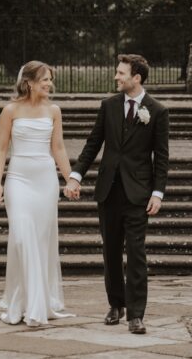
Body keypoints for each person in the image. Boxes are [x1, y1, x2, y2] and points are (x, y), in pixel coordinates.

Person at [65, 54, 170, 335]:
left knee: (136, 254)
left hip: (139, 194)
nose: (116, 77)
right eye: (117, 72)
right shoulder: (108, 106)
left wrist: (158, 193)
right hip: (108, 190)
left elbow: (161, 158)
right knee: (111, 251)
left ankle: (136, 314)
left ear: (136, 78)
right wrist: (75, 176)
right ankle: (116, 304)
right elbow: (93, 144)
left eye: (121, 73)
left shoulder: (157, 111)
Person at [0, 61, 76, 326]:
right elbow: (1, 149)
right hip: (18, 180)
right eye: (44, 80)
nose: (49, 84)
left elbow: (59, 148)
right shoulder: (10, 110)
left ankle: (36, 305)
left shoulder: (54, 111)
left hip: (45, 182)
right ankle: (21, 302)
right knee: (21, 237)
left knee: (40, 242)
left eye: (50, 79)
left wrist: (70, 178)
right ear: (28, 82)